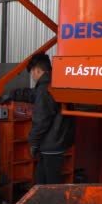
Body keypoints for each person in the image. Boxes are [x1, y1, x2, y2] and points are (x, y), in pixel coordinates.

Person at [27, 53, 75, 184]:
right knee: (42, 182)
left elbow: (41, 120)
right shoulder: (57, 83)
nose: (32, 76)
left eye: (32, 72)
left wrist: (33, 143)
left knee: (50, 184)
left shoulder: (43, 90)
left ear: (37, 70)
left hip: (50, 145)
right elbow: (33, 95)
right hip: (59, 141)